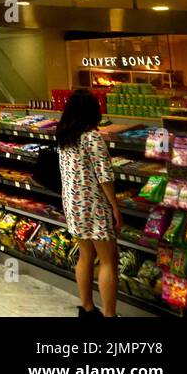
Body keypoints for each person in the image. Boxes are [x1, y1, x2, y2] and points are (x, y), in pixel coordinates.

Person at [56, 88, 122, 317]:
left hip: (73, 203)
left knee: (85, 256)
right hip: (94, 204)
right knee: (108, 260)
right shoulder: (91, 136)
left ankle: (87, 307)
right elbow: (104, 176)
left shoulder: (65, 135)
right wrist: (114, 206)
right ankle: (110, 315)